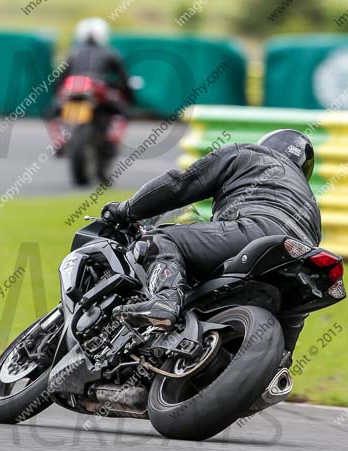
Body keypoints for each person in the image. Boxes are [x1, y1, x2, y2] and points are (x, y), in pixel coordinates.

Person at [101, 129, 320, 350]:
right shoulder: (313, 206)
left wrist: (125, 209)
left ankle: (165, 300)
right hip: (298, 258)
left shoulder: (249, 154)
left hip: (255, 232)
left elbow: (179, 185)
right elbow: (296, 314)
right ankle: (277, 371)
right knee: (293, 316)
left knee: (162, 239)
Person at [47, 18, 135, 154]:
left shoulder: (72, 53)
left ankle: (61, 138)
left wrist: (58, 92)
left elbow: (60, 78)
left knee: (53, 110)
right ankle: (113, 137)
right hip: (95, 89)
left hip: (73, 89)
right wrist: (129, 96)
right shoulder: (110, 52)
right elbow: (123, 78)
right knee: (123, 110)